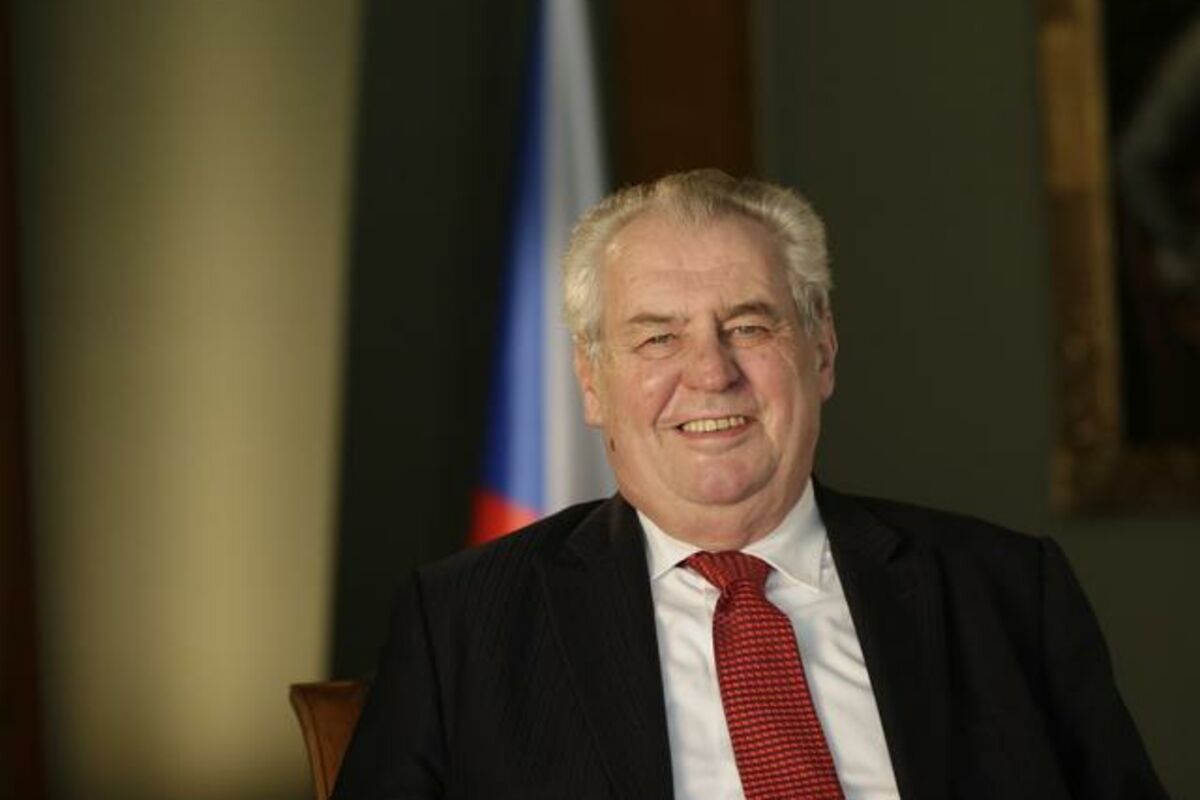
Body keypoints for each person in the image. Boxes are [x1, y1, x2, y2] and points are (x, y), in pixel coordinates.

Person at [332, 170, 1167, 799]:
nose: (711, 372)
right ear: (591, 382)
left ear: (822, 352)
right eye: (657, 338)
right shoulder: (463, 625)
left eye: (749, 325)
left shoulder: (1007, 591)